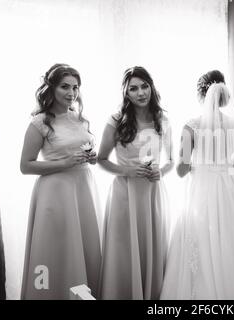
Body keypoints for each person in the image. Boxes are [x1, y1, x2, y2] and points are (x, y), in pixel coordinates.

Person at [160, 70, 234, 300]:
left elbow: (182, 170)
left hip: (203, 191)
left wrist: (198, 164)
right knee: (233, 240)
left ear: (200, 95)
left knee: (202, 237)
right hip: (230, 191)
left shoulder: (191, 125)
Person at [20, 63, 102, 299]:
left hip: (83, 190)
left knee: (83, 250)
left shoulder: (79, 119)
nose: (71, 93)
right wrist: (65, 163)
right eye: (65, 86)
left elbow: (82, 152)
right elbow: (25, 166)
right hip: (55, 193)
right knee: (55, 252)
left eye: (75, 87)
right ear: (51, 88)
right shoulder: (40, 122)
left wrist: (91, 158)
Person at [97, 66, 173, 300]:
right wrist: (128, 170)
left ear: (151, 87)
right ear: (126, 93)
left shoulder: (162, 119)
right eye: (134, 88)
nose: (141, 92)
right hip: (125, 193)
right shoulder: (116, 119)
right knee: (124, 249)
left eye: (144, 86)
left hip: (152, 192)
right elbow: (101, 159)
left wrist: (161, 171)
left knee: (150, 247)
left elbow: (171, 160)